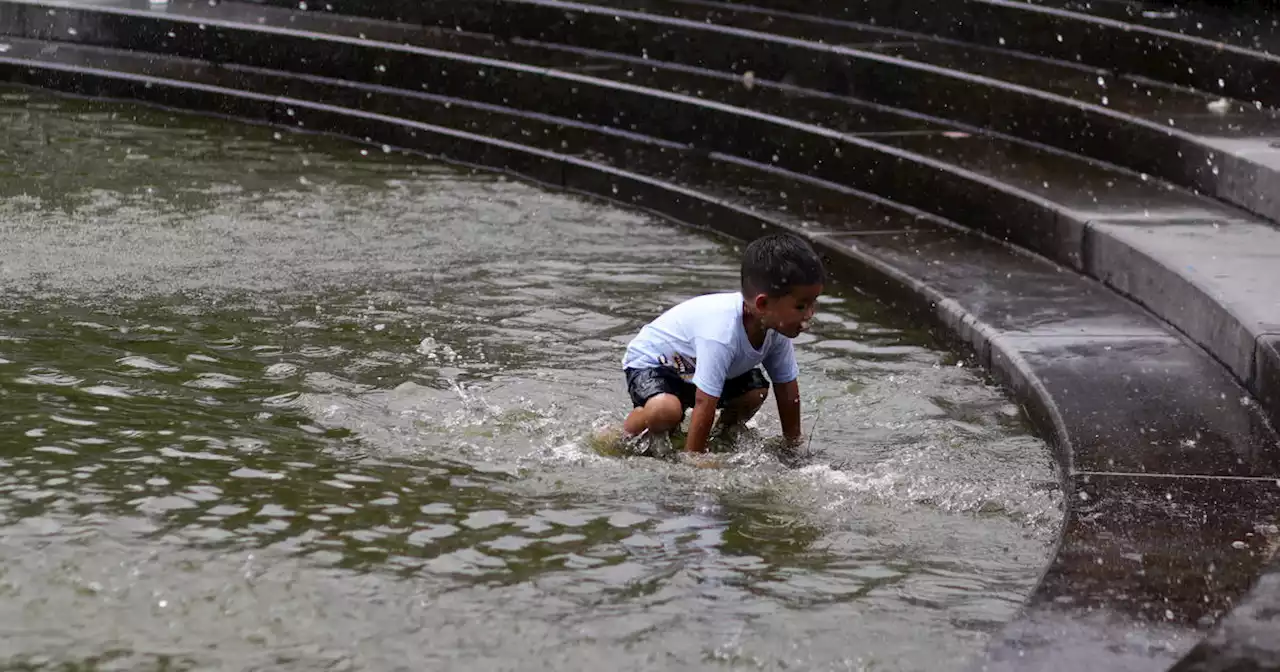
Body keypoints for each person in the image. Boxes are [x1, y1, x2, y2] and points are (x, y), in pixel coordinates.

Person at [620, 233, 825, 454]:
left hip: (694, 370)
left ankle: (721, 438)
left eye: (814, 303)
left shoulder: (775, 329)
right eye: (801, 306)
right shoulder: (721, 334)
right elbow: (704, 402)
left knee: (755, 393)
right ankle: (626, 431)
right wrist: (696, 462)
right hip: (657, 364)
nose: (810, 314)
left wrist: (792, 446)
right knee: (665, 412)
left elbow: (786, 389)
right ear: (763, 304)